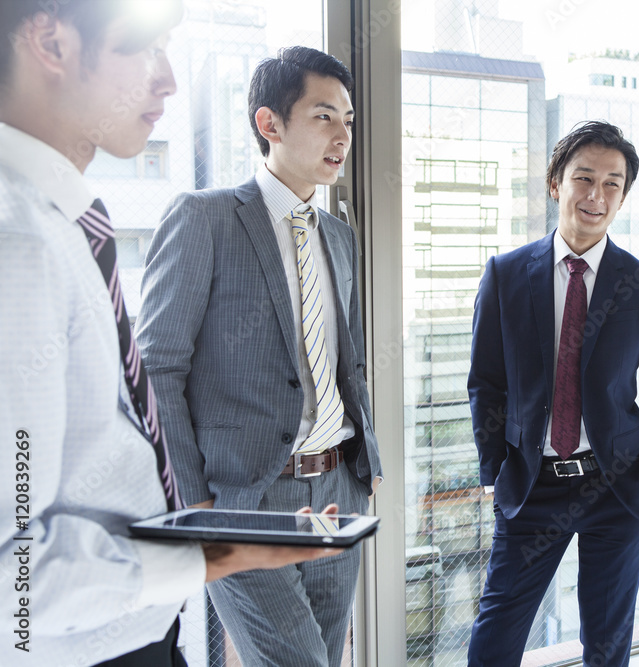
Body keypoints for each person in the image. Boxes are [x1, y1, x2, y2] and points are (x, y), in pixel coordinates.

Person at [0, 2, 346, 666]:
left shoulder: (62, 225)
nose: (167, 82)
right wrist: (205, 543)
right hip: (79, 644)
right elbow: (13, 573)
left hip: (136, 621)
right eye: (145, 49)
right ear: (50, 42)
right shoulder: (18, 244)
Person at [136, 45, 382, 667]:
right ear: (269, 124)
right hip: (245, 499)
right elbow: (157, 368)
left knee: (326, 656)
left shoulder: (338, 235)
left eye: (349, 120)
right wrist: (196, 507)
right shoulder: (205, 219)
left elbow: (342, 362)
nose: (342, 135)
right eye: (325, 116)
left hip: (337, 487)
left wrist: (365, 458)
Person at [466, 120, 639, 667]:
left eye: (612, 183)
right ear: (555, 183)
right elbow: (486, 383)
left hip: (617, 486)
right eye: (583, 178)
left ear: (624, 195)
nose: (596, 195)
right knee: (495, 639)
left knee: (607, 647)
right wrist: (494, 470)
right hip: (531, 484)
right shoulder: (507, 275)